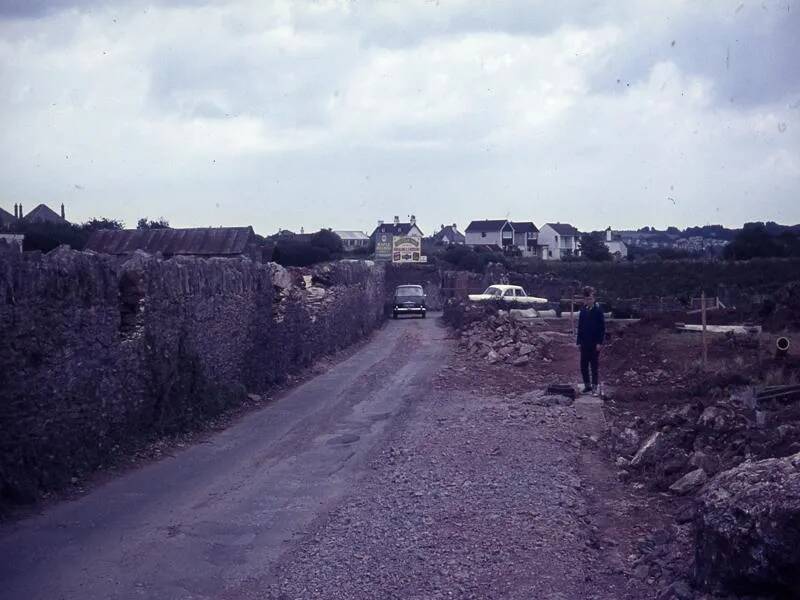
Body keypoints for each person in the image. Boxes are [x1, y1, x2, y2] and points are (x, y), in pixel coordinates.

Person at [576, 286, 605, 395]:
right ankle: (587, 385)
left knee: (594, 366)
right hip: (584, 343)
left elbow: (602, 328)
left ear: (594, 299)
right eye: (586, 299)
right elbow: (580, 327)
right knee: (583, 365)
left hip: (594, 343)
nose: (588, 301)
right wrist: (578, 342)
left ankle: (594, 387)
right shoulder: (583, 311)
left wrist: (599, 342)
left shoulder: (598, 311)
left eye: (590, 299)